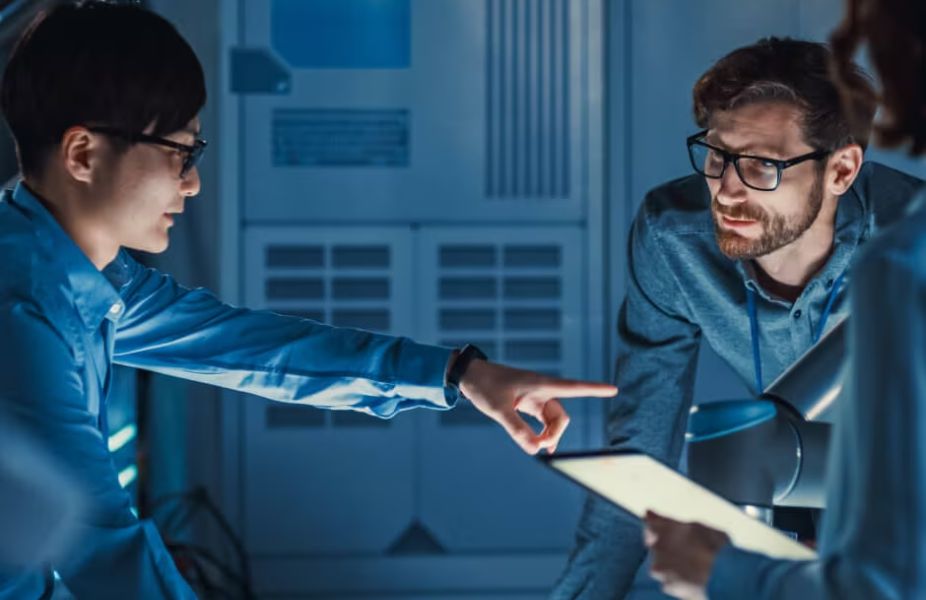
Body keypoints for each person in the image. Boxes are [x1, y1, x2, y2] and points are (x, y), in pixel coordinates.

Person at [0, 3, 618, 598]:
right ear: (83, 153)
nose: (192, 183)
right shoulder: (22, 308)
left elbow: (253, 348)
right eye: (179, 152)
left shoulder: (77, 273)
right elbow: (100, 543)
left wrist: (461, 373)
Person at [553, 36, 922, 599]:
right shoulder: (673, 236)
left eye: (761, 165)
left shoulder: (907, 247)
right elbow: (641, 445)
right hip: (784, 487)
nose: (726, 190)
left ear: (842, 170)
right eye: (717, 155)